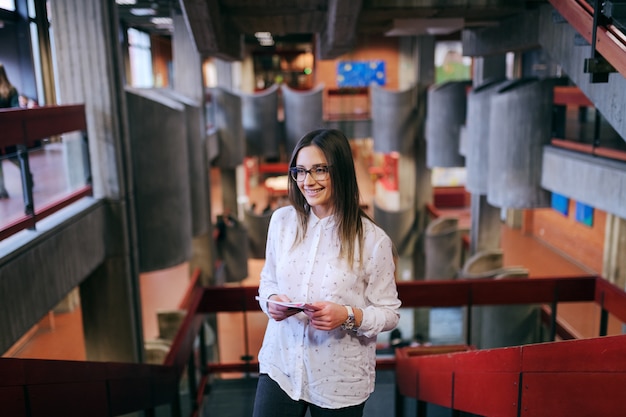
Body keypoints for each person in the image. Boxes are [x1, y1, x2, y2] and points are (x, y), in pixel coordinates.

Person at [253, 128, 401, 417]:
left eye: (319, 170)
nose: (308, 181)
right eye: (300, 171)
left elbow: (390, 313)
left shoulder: (373, 241)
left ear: (340, 171)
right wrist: (271, 300)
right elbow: (267, 279)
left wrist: (347, 315)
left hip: (339, 377)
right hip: (281, 363)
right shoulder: (282, 222)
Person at [0, 63, 20, 198]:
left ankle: (27, 176)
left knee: (13, 157)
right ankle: (1, 189)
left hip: (7, 132)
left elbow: (15, 109)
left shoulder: (11, 90)